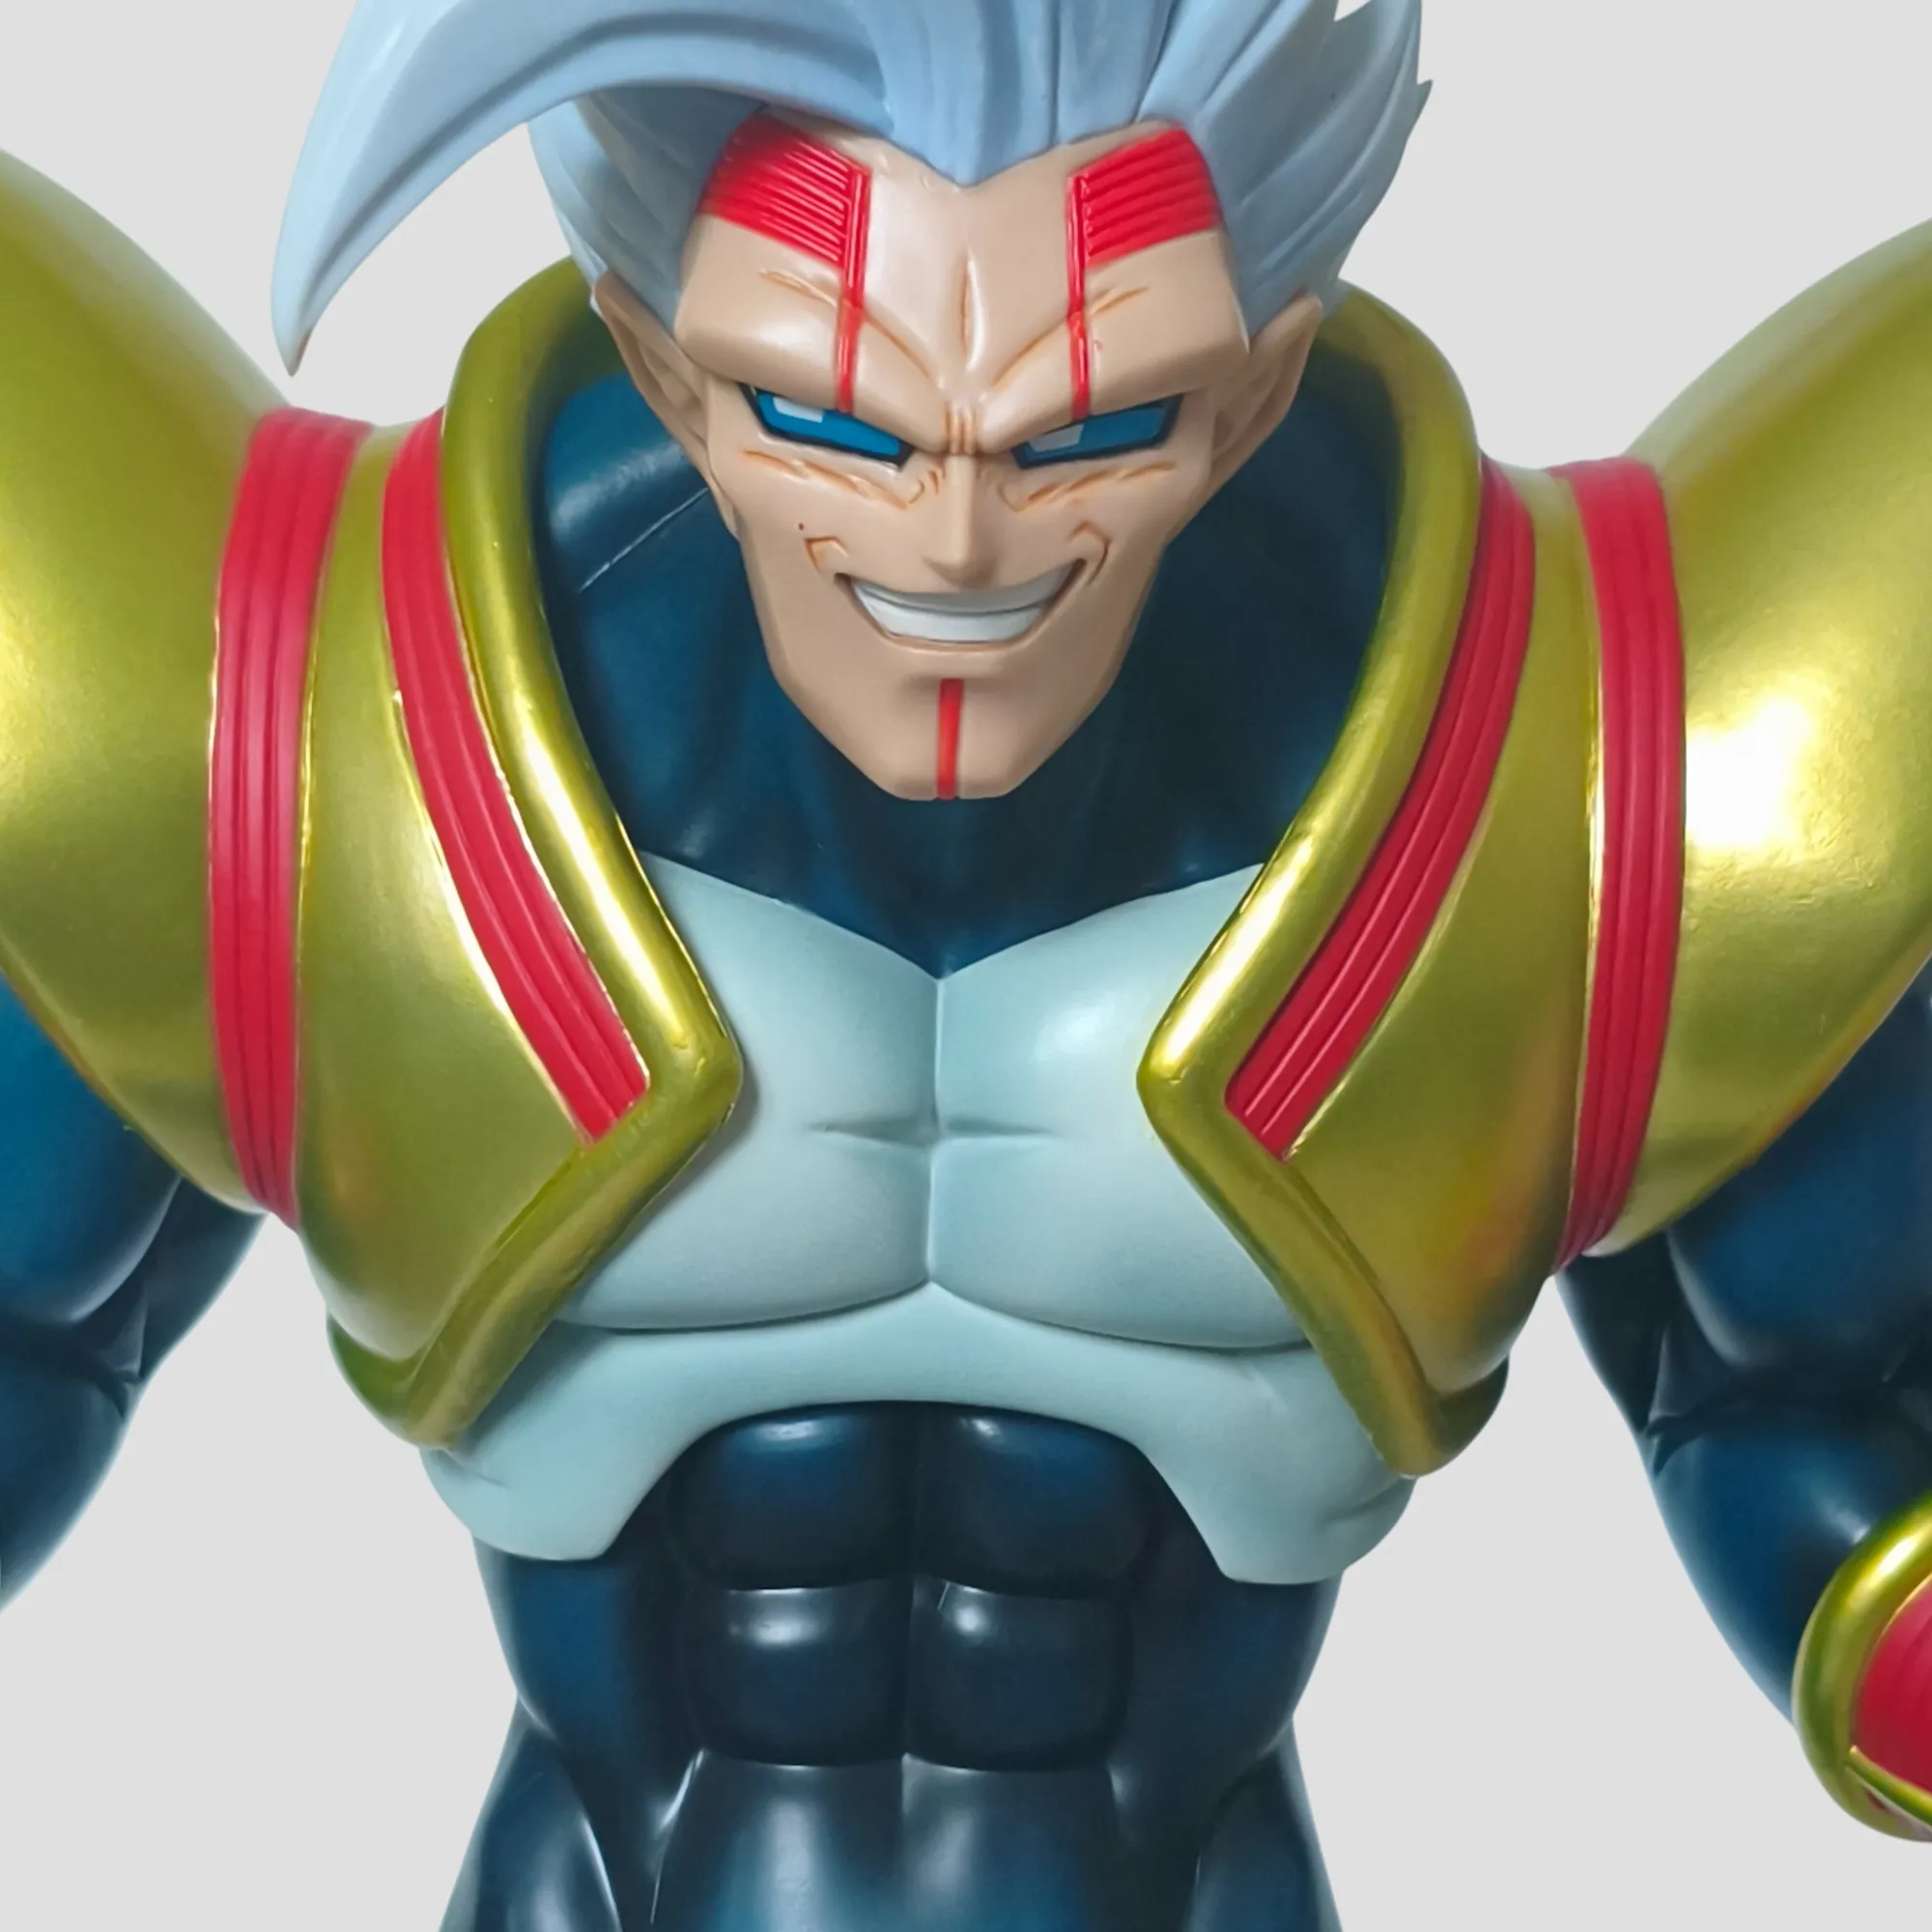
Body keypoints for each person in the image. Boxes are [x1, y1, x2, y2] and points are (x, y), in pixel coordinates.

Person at [4, 2, 1932, 1923]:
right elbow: (44, 1325)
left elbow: (1785, 1404)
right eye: (833, 420)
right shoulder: (313, 754)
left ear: (1253, 392)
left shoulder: (1567, 800)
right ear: (663, 365)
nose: (954, 540)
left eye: (1086, 430)